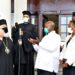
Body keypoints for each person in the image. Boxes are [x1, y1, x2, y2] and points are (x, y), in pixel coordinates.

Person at [12, 11, 38, 75]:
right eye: (24, 16)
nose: (25, 18)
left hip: (29, 50)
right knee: (20, 66)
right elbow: (14, 36)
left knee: (28, 66)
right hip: (20, 49)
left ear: (29, 18)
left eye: (26, 16)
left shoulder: (32, 26)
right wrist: (15, 30)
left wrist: (24, 33)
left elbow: (34, 36)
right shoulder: (19, 26)